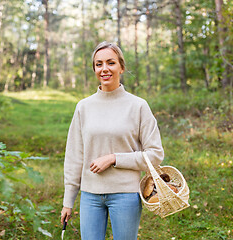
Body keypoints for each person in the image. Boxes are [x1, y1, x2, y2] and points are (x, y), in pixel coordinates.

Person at [60, 41, 164, 240]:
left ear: (121, 67)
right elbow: (74, 156)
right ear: (94, 69)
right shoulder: (83, 107)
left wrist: (114, 158)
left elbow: (155, 154)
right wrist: (68, 201)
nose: (104, 69)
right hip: (90, 195)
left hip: (126, 194)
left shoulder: (138, 106)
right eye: (99, 64)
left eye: (111, 62)